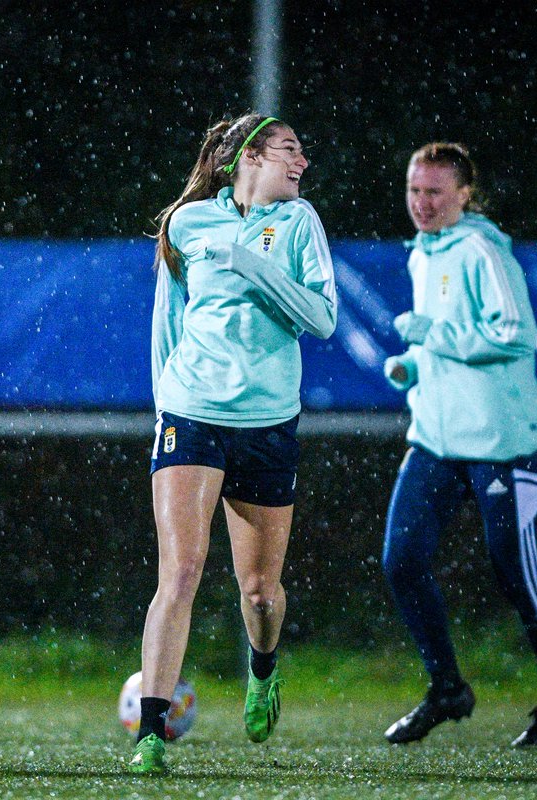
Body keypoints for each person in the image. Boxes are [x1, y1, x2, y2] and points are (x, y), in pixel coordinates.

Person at [129, 113, 337, 774]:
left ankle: (264, 665)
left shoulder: (300, 222)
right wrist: (164, 408)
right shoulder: (188, 223)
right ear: (247, 155)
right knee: (181, 571)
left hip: (268, 422)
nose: (302, 162)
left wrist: (252, 263)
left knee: (259, 592)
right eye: (289, 149)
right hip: (190, 413)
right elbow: (168, 319)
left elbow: (322, 318)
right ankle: (151, 735)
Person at [381, 142, 537, 747]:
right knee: (401, 560)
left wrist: (432, 336)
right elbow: (447, 344)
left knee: (515, 567)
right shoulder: (423, 253)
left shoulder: (480, 248)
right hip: (436, 441)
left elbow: (514, 334)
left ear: (464, 194)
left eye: (434, 191)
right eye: (415, 190)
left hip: (502, 442)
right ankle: (447, 688)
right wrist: (413, 365)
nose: (422, 202)